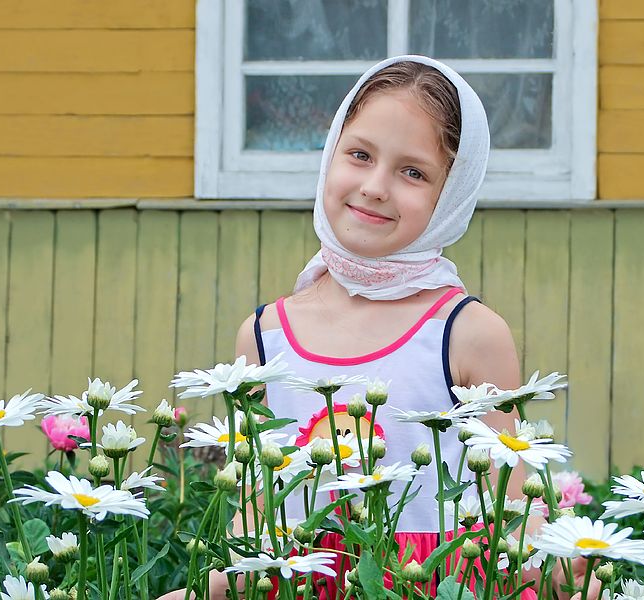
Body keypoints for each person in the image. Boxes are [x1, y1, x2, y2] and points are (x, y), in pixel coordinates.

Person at [157, 55, 597, 600]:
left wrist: (570, 569)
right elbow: (256, 507)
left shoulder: (467, 333)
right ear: (330, 154)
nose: (374, 186)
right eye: (360, 155)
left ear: (450, 195)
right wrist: (213, 589)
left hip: (426, 586)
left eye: (413, 171)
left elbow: (508, 502)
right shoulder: (264, 334)